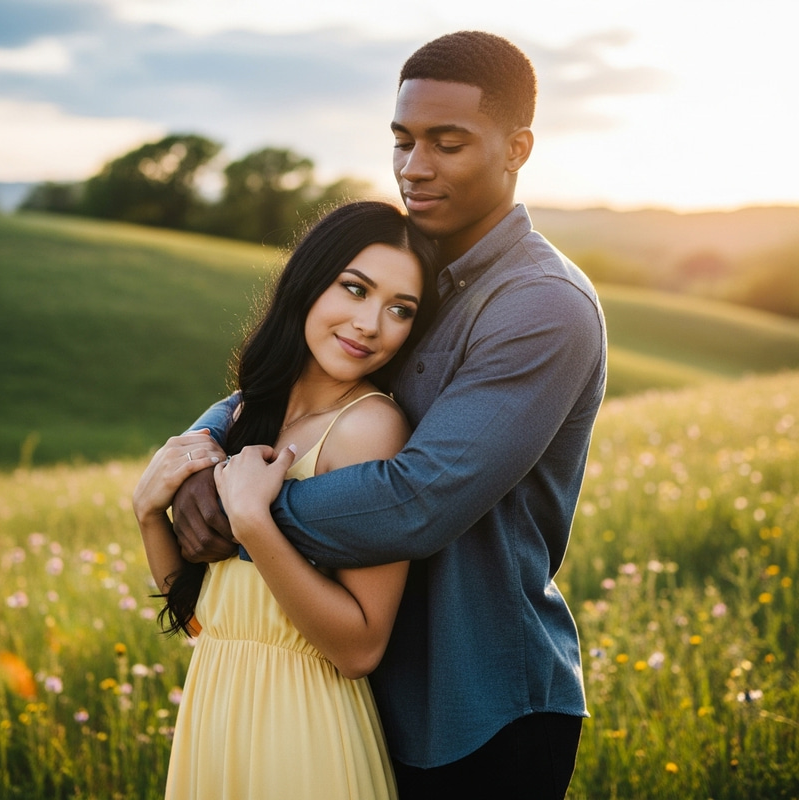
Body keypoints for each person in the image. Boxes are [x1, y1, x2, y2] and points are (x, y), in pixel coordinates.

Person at [173, 31, 607, 799]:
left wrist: (247, 511)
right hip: (356, 698)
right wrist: (202, 451)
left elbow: (418, 498)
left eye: (447, 143)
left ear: (517, 149)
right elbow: (292, 379)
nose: (415, 167)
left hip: (479, 708)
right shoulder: (405, 274)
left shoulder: (542, 306)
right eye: (402, 141)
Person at [133, 200, 438, 800]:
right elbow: (204, 623)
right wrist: (147, 514)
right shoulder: (247, 414)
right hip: (214, 714)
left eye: (400, 309)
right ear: (308, 280)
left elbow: (360, 648)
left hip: (304, 734)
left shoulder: (367, 428)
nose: (371, 324)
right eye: (355, 289)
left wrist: (253, 522)